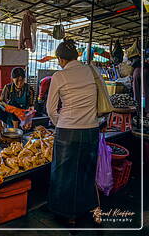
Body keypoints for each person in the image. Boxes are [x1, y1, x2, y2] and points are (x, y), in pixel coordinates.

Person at [46, 39, 99, 228]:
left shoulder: (59, 76)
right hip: (92, 130)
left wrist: (61, 123)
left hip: (68, 131)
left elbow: (50, 109)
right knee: (85, 172)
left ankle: (67, 214)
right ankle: (86, 208)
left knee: (64, 174)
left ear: (61, 59)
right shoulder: (91, 70)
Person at [0, 67, 35, 135]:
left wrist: (28, 120)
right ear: (12, 79)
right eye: (17, 81)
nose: (19, 83)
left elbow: (31, 106)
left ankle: (16, 130)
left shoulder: (29, 89)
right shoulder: (8, 88)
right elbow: (1, 102)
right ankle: (0, 127)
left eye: (22, 80)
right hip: (9, 116)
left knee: (13, 103)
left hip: (22, 117)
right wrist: (13, 109)